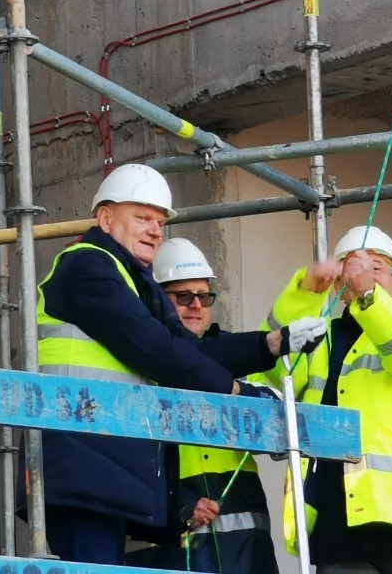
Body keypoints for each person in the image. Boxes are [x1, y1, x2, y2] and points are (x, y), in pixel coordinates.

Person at [31, 163, 326, 566]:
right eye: (142, 217)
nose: (155, 229)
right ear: (105, 217)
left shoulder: (130, 277)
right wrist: (236, 391)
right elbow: (154, 348)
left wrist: (272, 344)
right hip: (83, 460)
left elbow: (187, 350)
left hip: (105, 462)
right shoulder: (86, 266)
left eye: (160, 221)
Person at [265, 225, 392, 573]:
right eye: (352, 270)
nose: (363, 275)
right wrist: (306, 295)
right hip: (335, 531)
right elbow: (273, 368)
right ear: (339, 285)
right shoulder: (319, 337)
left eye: (376, 268)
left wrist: (369, 297)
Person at [153, 237, 280, 574]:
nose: (196, 304)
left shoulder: (230, 361)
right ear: (156, 300)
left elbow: (277, 419)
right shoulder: (140, 371)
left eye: (204, 296)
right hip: (174, 553)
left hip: (246, 553)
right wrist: (180, 506)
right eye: (183, 296)